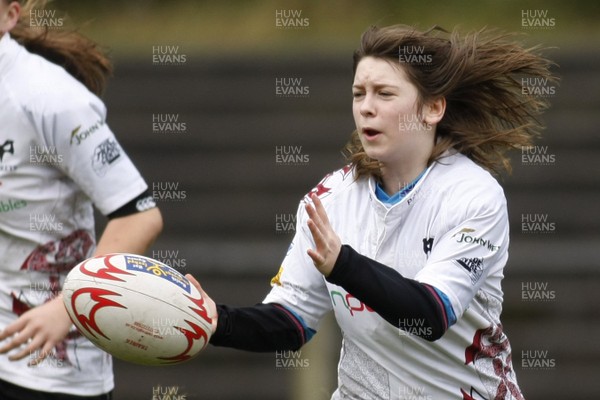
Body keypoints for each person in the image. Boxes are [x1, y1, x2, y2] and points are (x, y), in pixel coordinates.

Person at [189, 24, 557, 399]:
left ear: (433, 108)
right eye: (358, 94)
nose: (366, 107)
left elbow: (430, 315)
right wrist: (217, 321)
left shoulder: (473, 195)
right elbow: (291, 322)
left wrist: (343, 265)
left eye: (384, 94)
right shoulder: (330, 199)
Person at [0, 0, 163, 398]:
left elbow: (139, 217)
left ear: (9, 15)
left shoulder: (51, 99)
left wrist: (67, 306)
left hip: (46, 369)